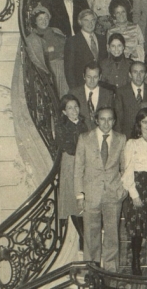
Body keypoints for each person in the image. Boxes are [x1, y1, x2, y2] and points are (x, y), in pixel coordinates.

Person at [74, 106, 127, 272]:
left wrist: (122, 190)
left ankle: (111, 273)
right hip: (91, 195)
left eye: (110, 119)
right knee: (91, 236)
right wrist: (80, 195)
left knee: (112, 236)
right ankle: (92, 271)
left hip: (113, 194)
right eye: (102, 119)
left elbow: (125, 167)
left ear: (114, 121)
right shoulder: (84, 138)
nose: (106, 123)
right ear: (96, 120)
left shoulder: (121, 139)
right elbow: (78, 169)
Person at [121, 107, 147, 275]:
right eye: (144, 122)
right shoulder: (132, 143)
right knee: (137, 226)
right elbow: (127, 171)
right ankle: (136, 260)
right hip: (138, 186)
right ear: (139, 123)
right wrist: (134, 195)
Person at [55, 94, 88, 248]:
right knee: (72, 200)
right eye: (70, 108)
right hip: (70, 164)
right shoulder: (61, 127)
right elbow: (68, 147)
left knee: (83, 198)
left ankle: (85, 238)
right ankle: (83, 238)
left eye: (76, 107)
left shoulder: (83, 124)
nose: (74, 110)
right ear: (64, 112)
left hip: (83, 164)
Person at [26, 5, 68, 96]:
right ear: (35, 21)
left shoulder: (56, 31)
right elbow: (37, 57)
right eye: (40, 19)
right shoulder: (33, 38)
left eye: (46, 18)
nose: (44, 21)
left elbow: (67, 47)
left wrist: (52, 50)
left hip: (65, 67)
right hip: (50, 70)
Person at [64, 9, 107, 89]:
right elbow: (69, 70)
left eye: (92, 20)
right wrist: (75, 90)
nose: (90, 24)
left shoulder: (102, 39)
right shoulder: (73, 41)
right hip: (81, 87)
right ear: (80, 22)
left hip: (101, 87)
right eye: (86, 20)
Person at [68, 61, 114, 131]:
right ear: (84, 76)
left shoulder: (108, 94)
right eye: (89, 77)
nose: (92, 80)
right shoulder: (74, 93)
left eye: (95, 77)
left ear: (100, 77)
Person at [115, 61, 147, 137]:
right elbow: (118, 117)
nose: (138, 76)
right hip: (127, 135)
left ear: (146, 74)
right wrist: (119, 137)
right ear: (130, 75)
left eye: (141, 72)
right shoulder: (121, 91)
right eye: (135, 72)